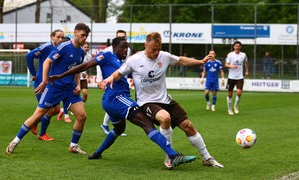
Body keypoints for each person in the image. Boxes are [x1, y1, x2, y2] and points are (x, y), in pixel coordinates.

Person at [49, 36, 196, 169]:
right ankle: (173, 155)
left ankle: (98, 153)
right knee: (146, 122)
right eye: (123, 47)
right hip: (116, 97)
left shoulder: (122, 61)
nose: (126, 50)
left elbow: (137, 73)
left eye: (127, 47)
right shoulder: (106, 55)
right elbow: (84, 66)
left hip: (115, 99)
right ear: (114, 48)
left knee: (119, 129)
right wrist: (62, 75)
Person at [100, 32, 224, 168]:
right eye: (154, 49)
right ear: (145, 45)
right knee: (165, 118)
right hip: (146, 102)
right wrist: (110, 78)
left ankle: (207, 158)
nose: (157, 52)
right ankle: (170, 157)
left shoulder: (164, 56)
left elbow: (181, 60)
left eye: (159, 49)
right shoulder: (134, 60)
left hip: (165, 99)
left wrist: (200, 61)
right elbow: (119, 73)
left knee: (188, 126)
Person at [5, 23, 91, 155]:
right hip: (54, 88)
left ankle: (73, 146)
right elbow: (47, 62)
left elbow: (77, 70)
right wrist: (45, 80)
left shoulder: (80, 52)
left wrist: (78, 84)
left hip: (70, 89)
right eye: (83, 35)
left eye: (86, 36)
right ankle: (15, 141)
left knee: (82, 116)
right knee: (38, 115)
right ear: (75, 33)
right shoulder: (63, 47)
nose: (84, 38)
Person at [26, 29, 64, 140]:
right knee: (47, 109)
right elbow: (29, 56)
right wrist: (33, 74)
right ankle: (42, 133)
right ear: (52, 37)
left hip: (53, 83)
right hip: (41, 83)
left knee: (56, 110)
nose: (60, 39)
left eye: (62, 37)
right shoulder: (46, 47)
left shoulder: (62, 49)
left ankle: (36, 123)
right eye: (58, 37)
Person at [99, 30, 131, 136]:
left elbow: (126, 65)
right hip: (111, 81)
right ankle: (107, 124)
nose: (123, 39)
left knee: (117, 104)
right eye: (120, 37)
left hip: (122, 79)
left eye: (124, 38)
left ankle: (117, 128)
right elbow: (98, 64)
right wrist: (101, 79)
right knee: (114, 102)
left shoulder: (128, 50)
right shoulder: (108, 51)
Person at [225, 41, 249, 115]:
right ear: (233, 47)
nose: (237, 47)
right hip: (231, 77)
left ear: (240, 47)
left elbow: (246, 62)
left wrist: (247, 71)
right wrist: (231, 66)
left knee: (239, 92)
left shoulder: (243, 55)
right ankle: (229, 108)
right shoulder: (230, 55)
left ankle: (235, 105)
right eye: (236, 46)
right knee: (230, 94)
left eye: (238, 46)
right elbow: (226, 65)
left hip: (240, 77)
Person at [57, 36, 73, 123]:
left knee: (67, 99)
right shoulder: (58, 53)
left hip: (70, 80)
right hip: (58, 82)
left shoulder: (77, 52)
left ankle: (65, 113)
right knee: (52, 109)